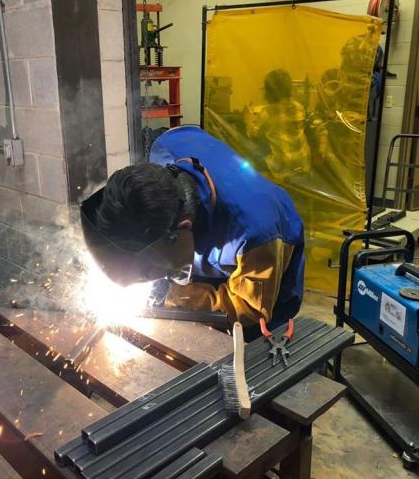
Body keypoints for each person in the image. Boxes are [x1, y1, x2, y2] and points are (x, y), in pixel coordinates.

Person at [81, 126, 305, 341]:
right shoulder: (165, 150)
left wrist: (174, 294)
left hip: (262, 292)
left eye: (149, 269)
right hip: (190, 251)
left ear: (184, 228)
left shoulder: (256, 233)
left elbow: (247, 309)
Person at [245, 69, 311, 183]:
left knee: (250, 156)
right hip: (304, 164)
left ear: (268, 91)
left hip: (283, 167)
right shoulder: (299, 107)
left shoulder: (267, 112)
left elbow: (252, 134)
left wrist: (248, 120)